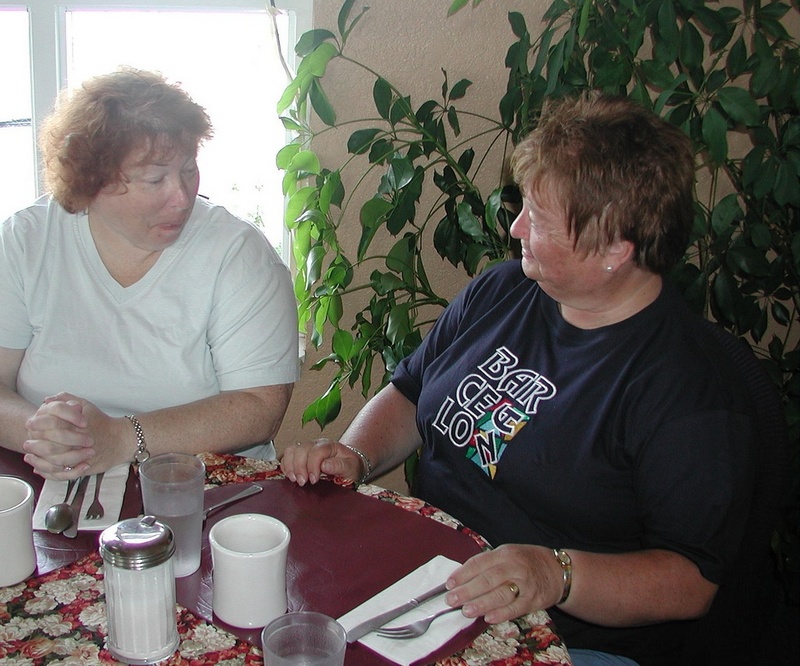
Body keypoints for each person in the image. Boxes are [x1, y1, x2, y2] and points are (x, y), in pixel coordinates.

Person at [280, 92, 755, 666]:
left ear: (614, 249)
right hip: (431, 586)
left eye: (540, 218)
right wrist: (353, 457)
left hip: (567, 636)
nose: (516, 228)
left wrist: (556, 573)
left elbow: (690, 580)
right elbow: (410, 391)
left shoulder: (687, 391)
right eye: (522, 205)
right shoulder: (503, 290)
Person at [0, 68, 299, 479]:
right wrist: (44, 435)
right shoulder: (25, 241)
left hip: (205, 491)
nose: (182, 196)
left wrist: (122, 439)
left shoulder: (240, 255)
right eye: (155, 178)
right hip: (52, 481)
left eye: (189, 169)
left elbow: (259, 406)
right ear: (92, 181)